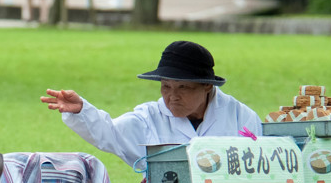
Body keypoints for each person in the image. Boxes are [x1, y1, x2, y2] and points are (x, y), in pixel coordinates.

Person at [41, 40, 263, 170]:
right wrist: (81, 110)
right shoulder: (149, 117)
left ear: (207, 86)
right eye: (166, 87)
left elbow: (261, 168)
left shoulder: (240, 118)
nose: (172, 96)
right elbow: (110, 133)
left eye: (183, 88)